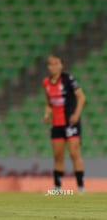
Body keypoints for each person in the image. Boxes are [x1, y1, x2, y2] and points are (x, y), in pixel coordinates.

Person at [43, 55, 86, 192]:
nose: (53, 66)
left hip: (71, 122)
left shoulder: (68, 79)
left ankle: (80, 187)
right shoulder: (46, 82)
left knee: (74, 153)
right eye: (51, 64)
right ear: (48, 67)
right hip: (56, 123)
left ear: (61, 65)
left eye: (56, 64)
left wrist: (76, 115)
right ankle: (57, 187)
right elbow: (50, 102)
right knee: (58, 155)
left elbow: (81, 97)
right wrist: (47, 114)